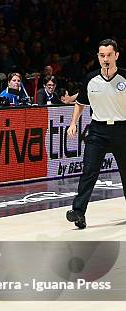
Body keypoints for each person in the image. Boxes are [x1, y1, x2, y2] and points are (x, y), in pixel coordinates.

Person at [66, 39, 126, 230]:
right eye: (102, 55)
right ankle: (78, 212)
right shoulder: (91, 78)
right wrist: (73, 123)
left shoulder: (125, 77)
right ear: (98, 57)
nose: (105, 59)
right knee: (89, 172)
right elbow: (80, 103)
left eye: (109, 55)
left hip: (122, 129)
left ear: (116, 55)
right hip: (98, 130)